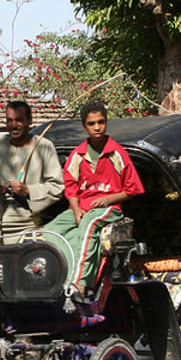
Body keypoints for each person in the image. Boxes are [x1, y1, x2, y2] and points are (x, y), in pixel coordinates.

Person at [43, 100, 145, 300]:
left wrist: (109, 199)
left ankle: (80, 284)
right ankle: (60, 276)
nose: (97, 127)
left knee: (89, 226)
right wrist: (75, 210)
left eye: (101, 122)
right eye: (91, 124)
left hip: (109, 209)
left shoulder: (117, 153)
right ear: (84, 126)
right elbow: (70, 187)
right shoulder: (78, 155)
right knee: (49, 232)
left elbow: (132, 189)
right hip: (82, 207)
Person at [0, 100, 64, 242]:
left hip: (27, 223)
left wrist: (28, 190)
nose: (14, 125)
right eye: (9, 120)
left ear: (29, 121)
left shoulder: (44, 147)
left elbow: (57, 186)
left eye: (19, 120)